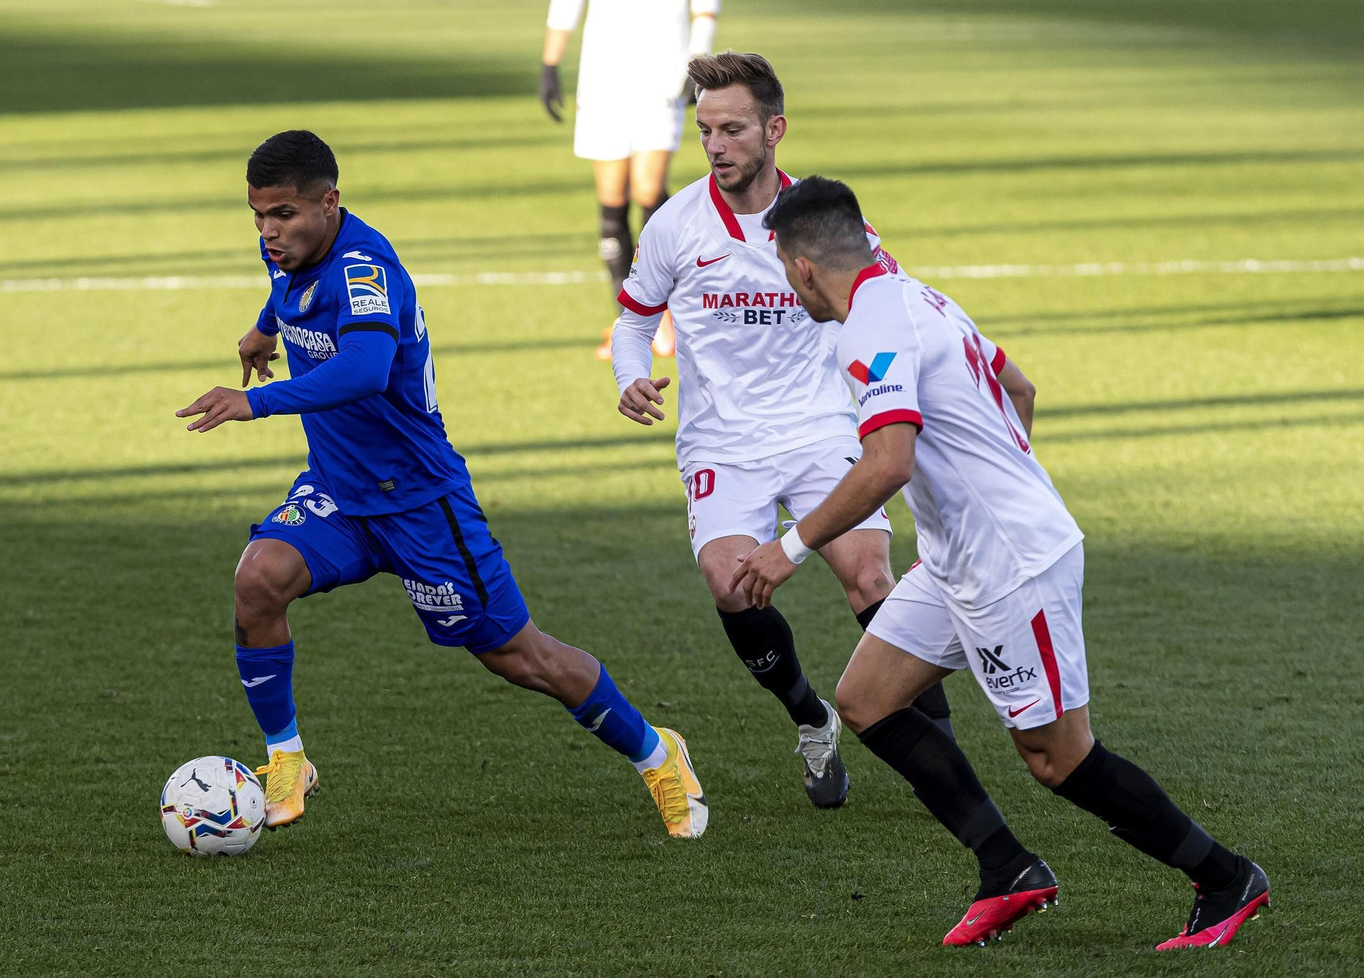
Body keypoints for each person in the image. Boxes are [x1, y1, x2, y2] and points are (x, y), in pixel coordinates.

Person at [731, 175, 1270, 949]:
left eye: (787, 271)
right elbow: (1021, 388)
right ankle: (1007, 868)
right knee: (867, 699)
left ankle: (1226, 877)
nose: (791, 286)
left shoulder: (870, 328)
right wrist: (983, 499)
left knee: (1058, 759)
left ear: (804, 267)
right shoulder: (918, 296)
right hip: (961, 560)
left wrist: (789, 548)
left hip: (1011, 568)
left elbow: (887, 463)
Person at [174, 130, 707, 840]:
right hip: (339, 492)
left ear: (330, 203)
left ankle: (657, 753)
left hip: (420, 501)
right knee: (259, 578)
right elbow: (289, 289)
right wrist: (264, 328)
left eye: (284, 215)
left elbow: (366, 368)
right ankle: (287, 760)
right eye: (258, 216)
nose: (268, 232)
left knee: (520, 657)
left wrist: (256, 402)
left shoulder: (366, 270)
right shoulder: (291, 251)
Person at [610, 52, 955, 811]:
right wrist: (629, 375)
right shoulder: (675, 225)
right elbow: (633, 322)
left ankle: (944, 756)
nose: (716, 145)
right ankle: (810, 716)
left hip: (819, 425)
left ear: (775, 130)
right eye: (705, 130)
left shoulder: (822, 225)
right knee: (731, 583)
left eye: (733, 129)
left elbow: (891, 300)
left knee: (869, 574)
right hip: (721, 440)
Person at [538, 0, 719, 359]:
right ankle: (629, 323)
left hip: (663, 78)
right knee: (612, 198)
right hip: (602, 81)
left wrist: (698, 59)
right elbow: (566, 6)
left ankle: (664, 315)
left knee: (649, 190)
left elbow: (705, 8)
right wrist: (550, 63)